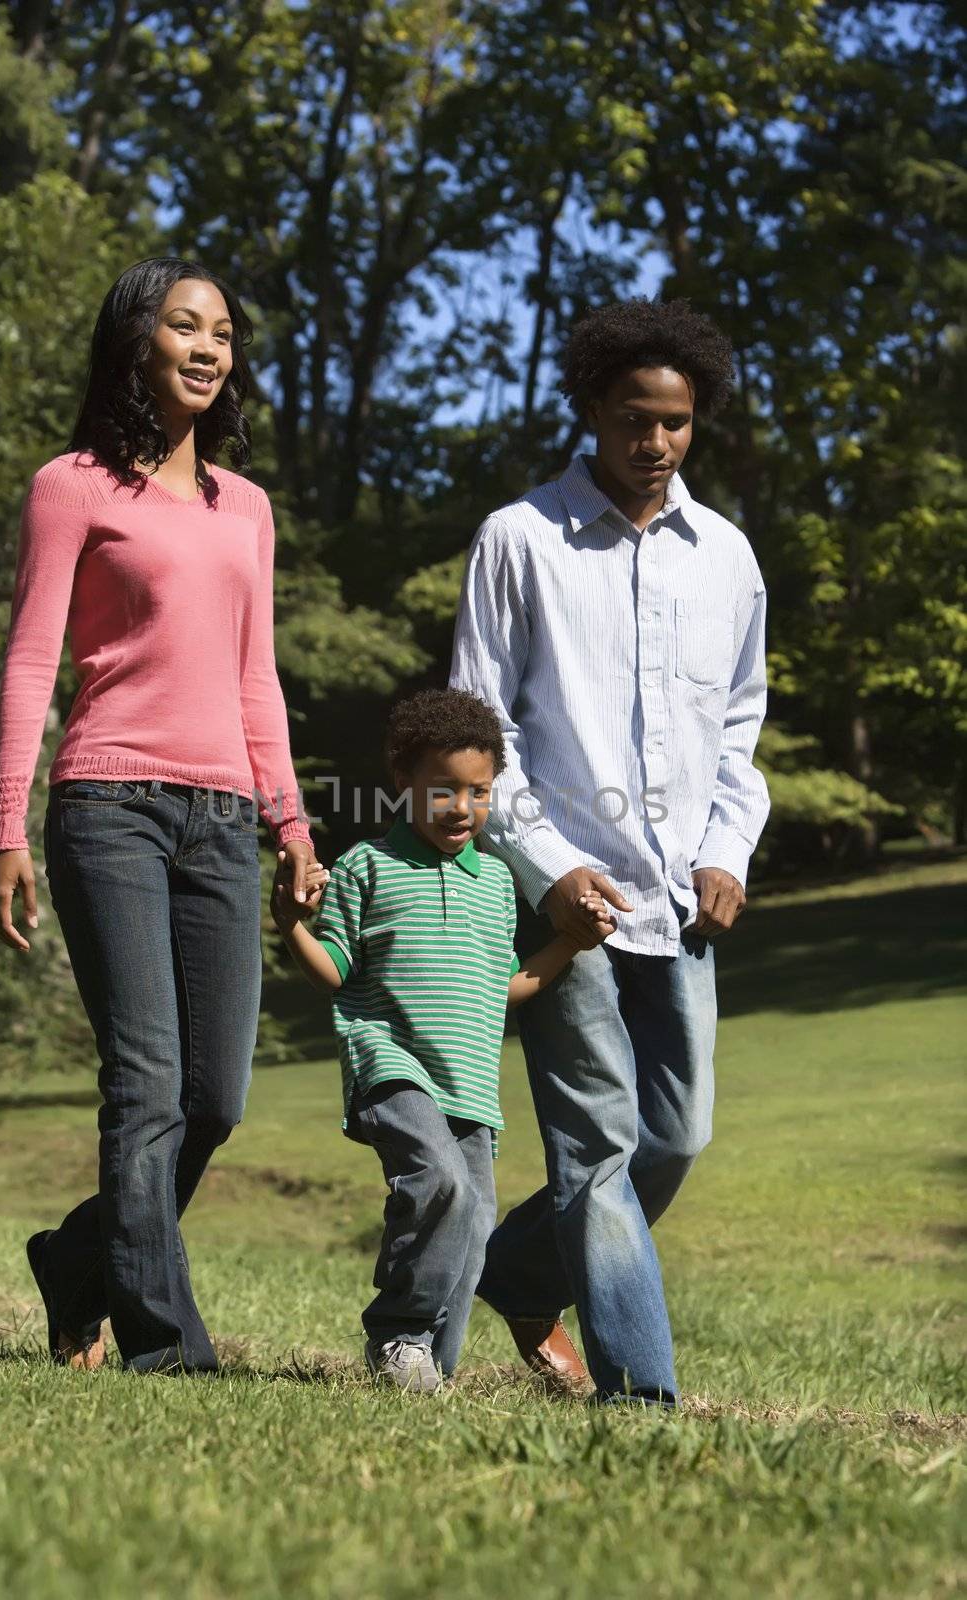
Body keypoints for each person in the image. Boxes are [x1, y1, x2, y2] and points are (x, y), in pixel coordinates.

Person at [0, 257, 319, 1374]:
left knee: (214, 1096)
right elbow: (32, 660)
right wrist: (5, 830)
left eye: (222, 331)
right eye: (184, 325)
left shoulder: (247, 509)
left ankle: (78, 1261)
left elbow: (254, 675)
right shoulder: (71, 485)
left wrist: (291, 822)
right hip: (108, 806)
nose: (208, 347)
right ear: (137, 341)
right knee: (146, 1083)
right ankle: (166, 1343)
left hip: (223, 818)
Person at [450, 298, 770, 1406]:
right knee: (596, 1146)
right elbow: (477, 730)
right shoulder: (519, 540)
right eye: (634, 417)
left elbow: (737, 727)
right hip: (564, 903)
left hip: (679, 904)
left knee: (671, 1138)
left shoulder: (724, 558)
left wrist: (727, 848)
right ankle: (641, 1394)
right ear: (590, 408)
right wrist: (544, 867)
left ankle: (510, 1268)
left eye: (675, 423)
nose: (655, 442)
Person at [273, 688, 605, 1391]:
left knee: (475, 1219)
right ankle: (398, 1333)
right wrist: (290, 926)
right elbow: (334, 972)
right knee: (439, 1182)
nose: (461, 807)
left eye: (477, 792)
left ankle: (431, 1367)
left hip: (471, 1087)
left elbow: (507, 986)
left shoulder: (494, 885)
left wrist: (567, 947)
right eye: (442, 790)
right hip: (389, 1063)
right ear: (403, 782)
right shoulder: (367, 866)